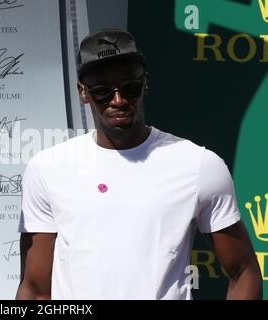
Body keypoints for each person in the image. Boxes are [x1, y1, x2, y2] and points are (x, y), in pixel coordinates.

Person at [16, 29, 262, 300]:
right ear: (82, 93)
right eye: (102, 91)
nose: (118, 100)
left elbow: (244, 272)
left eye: (129, 88)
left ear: (145, 83)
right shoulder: (48, 168)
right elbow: (35, 289)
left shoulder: (198, 164)